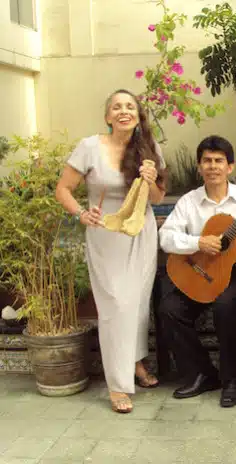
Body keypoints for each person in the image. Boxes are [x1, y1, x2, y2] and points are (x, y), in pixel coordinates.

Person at [55, 89, 167, 414]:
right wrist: (80, 213)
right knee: (115, 304)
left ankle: (135, 363)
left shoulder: (149, 147)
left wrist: (153, 179)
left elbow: (158, 198)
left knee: (137, 303)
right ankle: (118, 385)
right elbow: (63, 189)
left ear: (137, 114)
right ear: (108, 116)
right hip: (106, 234)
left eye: (129, 106)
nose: (123, 111)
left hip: (140, 232)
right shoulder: (90, 146)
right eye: (116, 107)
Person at [156, 135, 236, 408]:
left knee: (225, 306)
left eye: (218, 161)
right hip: (203, 271)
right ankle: (202, 373)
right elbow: (166, 238)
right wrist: (197, 242)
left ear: (230, 167)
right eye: (207, 161)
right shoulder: (188, 202)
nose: (213, 166)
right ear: (199, 167)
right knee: (169, 308)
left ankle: (231, 380)